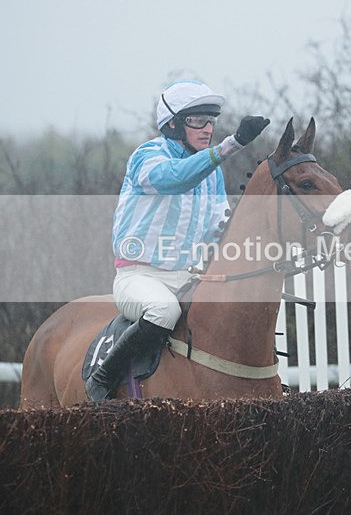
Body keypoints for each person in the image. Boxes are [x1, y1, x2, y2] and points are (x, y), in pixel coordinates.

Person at [85, 79, 270, 401]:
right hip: (140, 276)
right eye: (197, 121)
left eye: (211, 121)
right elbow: (174, 178)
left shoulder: (212, 173)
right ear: (172, 124)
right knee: (163, 311)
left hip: (188, 275)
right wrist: (232, 144)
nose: (207, 129)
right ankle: (101, 381)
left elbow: (219, 229)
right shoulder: (148, 155)